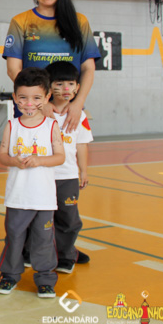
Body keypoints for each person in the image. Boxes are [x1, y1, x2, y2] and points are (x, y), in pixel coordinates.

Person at [3, 0, 100, 133]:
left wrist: (78, 103)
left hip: (69, 111)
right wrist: (41, 102)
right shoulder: (20, 22)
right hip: (32, 109)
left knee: (71, 151)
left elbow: (88, 69)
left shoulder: (80, 22)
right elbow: (13, 69)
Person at [0, 68, 65, 298]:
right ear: (15, 97)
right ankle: (9, 276)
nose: (29, 103)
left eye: (36, 98)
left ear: (47, 97)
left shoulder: (51, 126)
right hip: (18, 197)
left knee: (44, 240)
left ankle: (45, 279)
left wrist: (39, 160)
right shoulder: (12, 125)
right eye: (23, 97)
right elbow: (2, 156)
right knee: (14, 238)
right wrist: (14, 161)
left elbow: (60, 157)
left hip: (44, 198)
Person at [45, 61, 93, 273]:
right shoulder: (40, 113)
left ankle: (65, 255)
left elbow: (81, 145)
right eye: (59, 83)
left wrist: (83, 171)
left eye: (71, 84)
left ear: (77, 87)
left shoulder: (80, 116)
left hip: (68, 177)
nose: (66, 89)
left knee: (68, 217)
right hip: (43, 175)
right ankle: (34, 252)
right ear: (49, 86)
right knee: (41, 217)